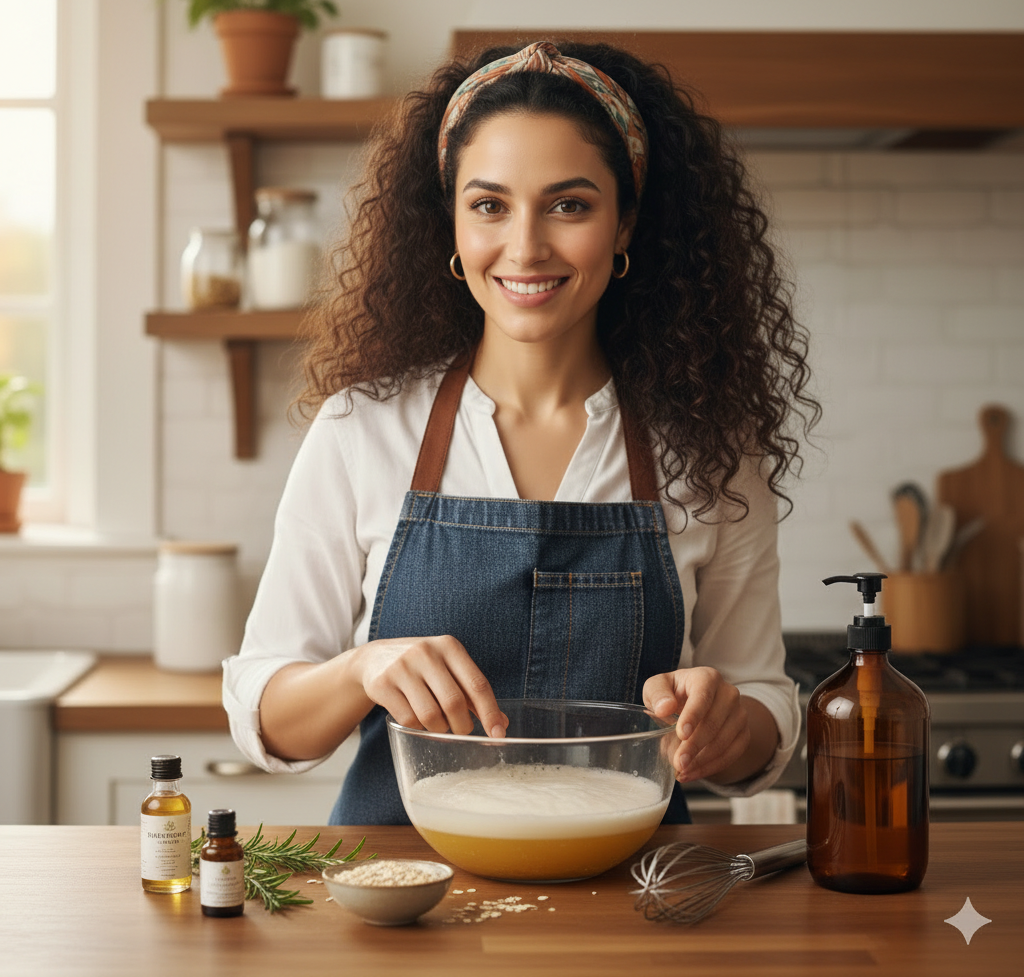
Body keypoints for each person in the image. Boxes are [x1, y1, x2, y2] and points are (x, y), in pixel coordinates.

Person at [222, 41, 819, 825]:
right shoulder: (361, 429)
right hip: (405, 908)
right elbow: (266, 718)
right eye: (489, 204)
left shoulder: (710, 449)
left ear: (625, 223)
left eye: (569, 204)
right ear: (451, 224)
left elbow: (762, 707)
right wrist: (361, 670)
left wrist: (725, 720)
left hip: (632, 908)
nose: (526, 246)